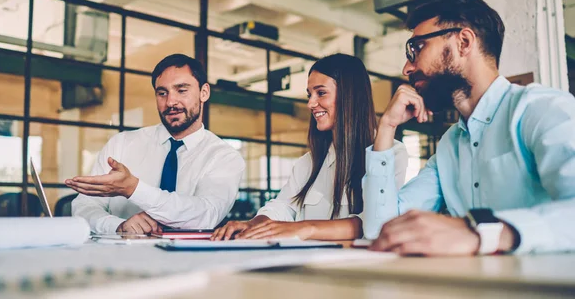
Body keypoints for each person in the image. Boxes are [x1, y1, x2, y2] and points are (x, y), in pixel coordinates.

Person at [363, 0, 575, 256]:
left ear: (464, 42)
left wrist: (481, 232)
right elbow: (379, 227)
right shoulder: (450, 146)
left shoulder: (541, 110)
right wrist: (386, 128)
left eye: (416, 48)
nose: (407, 68)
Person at [211, 53, 407, 241]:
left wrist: (305, 228)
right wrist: (255, 224)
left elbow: (375, 221)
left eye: (321, 93)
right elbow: (284, 206)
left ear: (350, 96)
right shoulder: (308, 162)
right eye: (309, 94)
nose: (311, 104)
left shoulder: (391, 155)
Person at [68, 54, 245, 234]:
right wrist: (116, 226)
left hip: (190, 260)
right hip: (124, 255)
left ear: (204, 93)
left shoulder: (224, 157)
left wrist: (134, 189)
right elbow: (84, 206)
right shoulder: (121, 144)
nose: (170, 102)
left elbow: (205, 215)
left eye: (181, 90)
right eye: (162, 93)